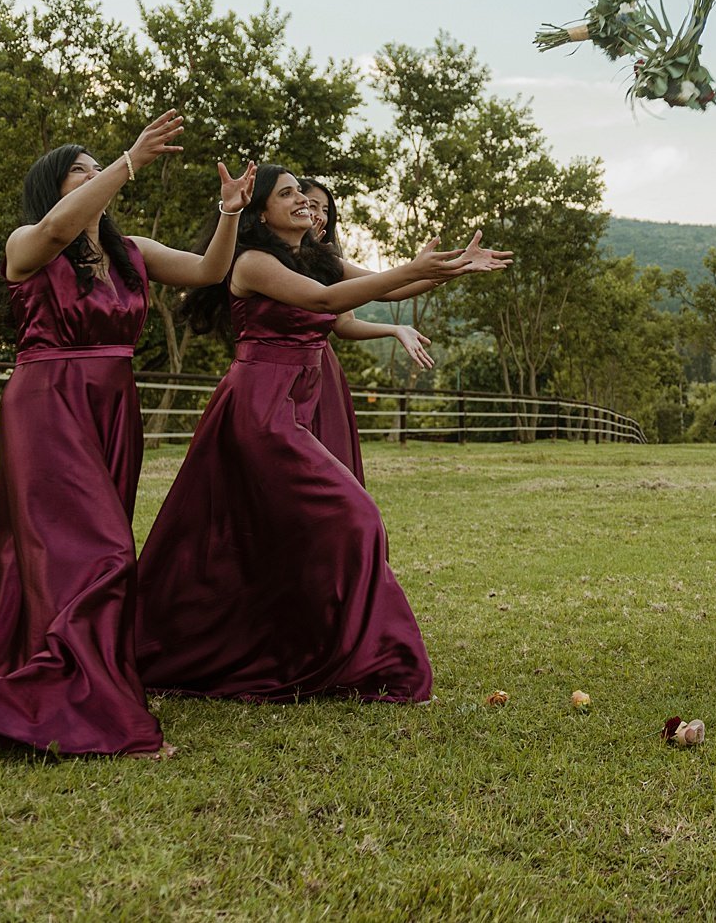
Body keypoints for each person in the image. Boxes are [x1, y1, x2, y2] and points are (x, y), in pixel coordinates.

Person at [0, 113, 252, 756]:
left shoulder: (131, 254)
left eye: (101, 167)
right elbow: (55, 228)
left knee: (72, 550)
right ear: (56, 185)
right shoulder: (30, 241)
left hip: (112, 404)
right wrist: (130, 161)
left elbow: (211, 271)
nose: (98, 172)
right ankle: (89, 702)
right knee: (98, 550)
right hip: (48, 403)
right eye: (83, 169)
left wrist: (230, 211)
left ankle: (64, 667)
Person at [134, 166, 498, 703]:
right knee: (353, 515)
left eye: (304, 194)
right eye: (288, 195)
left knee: (277, 536)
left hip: (300, 398)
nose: (305, 201)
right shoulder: (253, 261)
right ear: (261, 213)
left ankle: (306, 645)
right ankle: (365, 656)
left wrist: (453, 268)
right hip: (260, 406)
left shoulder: (317, 258)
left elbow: (392, 287)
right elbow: (331, 303)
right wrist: (412, 267)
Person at [299, 178, 434, 484]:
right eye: (310, 205)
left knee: (326, 474)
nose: (319, 214)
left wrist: (453, 269)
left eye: (325, 210)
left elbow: (347, 321)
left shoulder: (328, 264)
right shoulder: (260, 259)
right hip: (272, 376)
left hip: (320, 374)